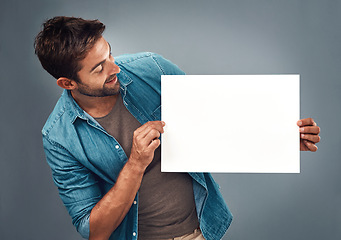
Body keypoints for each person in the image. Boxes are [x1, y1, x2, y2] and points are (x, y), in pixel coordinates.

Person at [34, 16, 321, 240]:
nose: (114, 68)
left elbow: (215, 118)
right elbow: (94, 230)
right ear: (67, 83)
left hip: (199, 229)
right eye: (99, 68)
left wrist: (278, 139)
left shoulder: (151, 68)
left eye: (109, 54)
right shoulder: (59, 137)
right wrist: (135, 164)